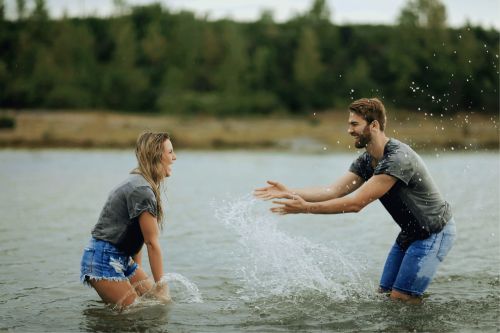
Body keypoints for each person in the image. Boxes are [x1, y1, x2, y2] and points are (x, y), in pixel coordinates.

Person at [254, 98, 456, 304]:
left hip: (433, 232)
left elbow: (355, 204)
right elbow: (333, 191)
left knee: (402, 298)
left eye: (354, 124)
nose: (349, 130)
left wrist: (305, 208)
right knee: (386, 297)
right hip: (410, 233)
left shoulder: (397, 159)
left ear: (374, 125)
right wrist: (290, 192)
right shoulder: (367, 160)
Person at [80, 132, 176, 309]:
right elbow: (152, 242)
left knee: (159, 303)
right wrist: (161, 284)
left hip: (121, 258)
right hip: (103, 259)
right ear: (156, 155)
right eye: (170, 152)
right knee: (136, 314)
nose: (174, 157)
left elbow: (137, 234)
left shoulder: (142, 184)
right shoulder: (142, 190)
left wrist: (135, 272)